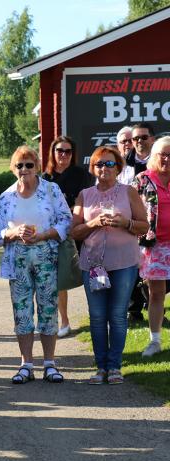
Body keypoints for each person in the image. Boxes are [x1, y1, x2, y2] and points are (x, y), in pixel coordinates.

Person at [0, 145, 72, 384]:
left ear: (37, 166)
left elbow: (67, 220)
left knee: (48, 310)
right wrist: (13, 232)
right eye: (19, 165)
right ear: (13, 168)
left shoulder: (51, 190)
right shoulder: (6, 197)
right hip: (18, 261)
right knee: (22, 313)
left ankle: (50, 363)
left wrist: (45, 235)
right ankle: (26, 364)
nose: (24, 169)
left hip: (47, 257)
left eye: (29, 165)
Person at [72, 146, 148, 384]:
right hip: (93, 264)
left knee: (117, 315)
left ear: (118, 167)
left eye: (109, 164)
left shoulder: (129, 192)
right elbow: (73, 230)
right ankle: (101, 367)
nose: (104, 168)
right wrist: (93, 223)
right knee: (96, 317)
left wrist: (126, 223)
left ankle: (115, 366)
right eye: (99, 164)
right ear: (92, 168)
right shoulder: (84, 195)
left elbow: (144, 226)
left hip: (124, 262)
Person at [43, 135, 92, 338]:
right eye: (59, 151)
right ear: (53, 153)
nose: (63, 155)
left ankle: (96, 316)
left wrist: (68, 211)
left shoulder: (82, 175)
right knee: (58, 279)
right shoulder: (44, 178)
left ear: (73, 154)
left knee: (91, 275)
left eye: (68, 151)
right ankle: (64, 320)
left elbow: (86, 201)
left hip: (81, 230)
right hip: (55, 234)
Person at [134, 136, 170, 357]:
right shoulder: (142, 180)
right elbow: (130, 207)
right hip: (154, 246)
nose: (166, 159)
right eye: (162, 154)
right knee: (157, 293)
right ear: (153, 156)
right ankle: (155, 341)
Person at [125, 122, 157, 322]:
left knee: (156, 270)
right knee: (132, 270)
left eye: (143, 137)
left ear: (152, 139)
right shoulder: (122, 165)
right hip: (131, 225)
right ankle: (133, 312)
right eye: (135, 138)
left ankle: (155, 307)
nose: (138, 142)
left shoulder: (162, 162)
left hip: (158, 225)